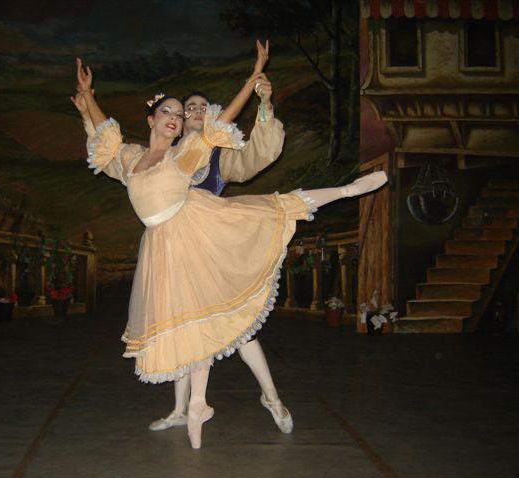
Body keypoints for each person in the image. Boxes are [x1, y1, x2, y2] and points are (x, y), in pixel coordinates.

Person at [74, 42, 387, 449]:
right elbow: (108, 141)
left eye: (194, 109)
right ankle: (185, 409)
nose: (187, 115)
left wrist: (256, 81)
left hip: (214, 234)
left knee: (242, 318)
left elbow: (240, 137)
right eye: (177, 110)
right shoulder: (136, 156)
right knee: (186, 325)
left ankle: (346, 189)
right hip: (168, 248)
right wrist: (89, 101)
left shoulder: (199, 152)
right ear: (156, 118)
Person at [147, 85, 294, 435]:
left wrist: (265, 104)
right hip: (176, 252)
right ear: (180, 120)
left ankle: (272, 398)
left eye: (201, 106)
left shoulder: (218, 153)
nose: (195, 111)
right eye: (188, 107)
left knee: (239, 329)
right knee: (181, 326)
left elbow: (258, 154)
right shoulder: (165, 154)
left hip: (212, 249)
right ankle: (181, 409)